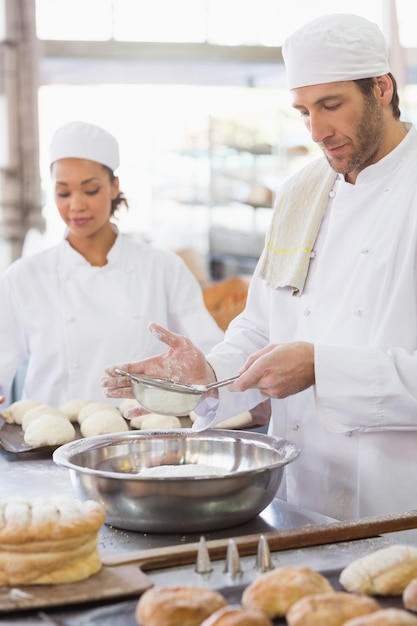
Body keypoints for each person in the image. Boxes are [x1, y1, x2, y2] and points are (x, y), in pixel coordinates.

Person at [101, 13, 417, 522]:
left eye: (331, 105)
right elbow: (259, 326)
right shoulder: (302, 192)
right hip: (298, 493)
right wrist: (207, 377)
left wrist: (321, 368)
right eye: (303, 111)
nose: (317, 130)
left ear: (382, 88)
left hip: (397, 497)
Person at [0, 121, 223, 406]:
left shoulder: (162, 268)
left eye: (90, 190)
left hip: (143, 437)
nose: (76, 205)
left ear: (114, 187)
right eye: (63, 192)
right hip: (49, 442)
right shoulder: (24, 277)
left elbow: (209, 353)